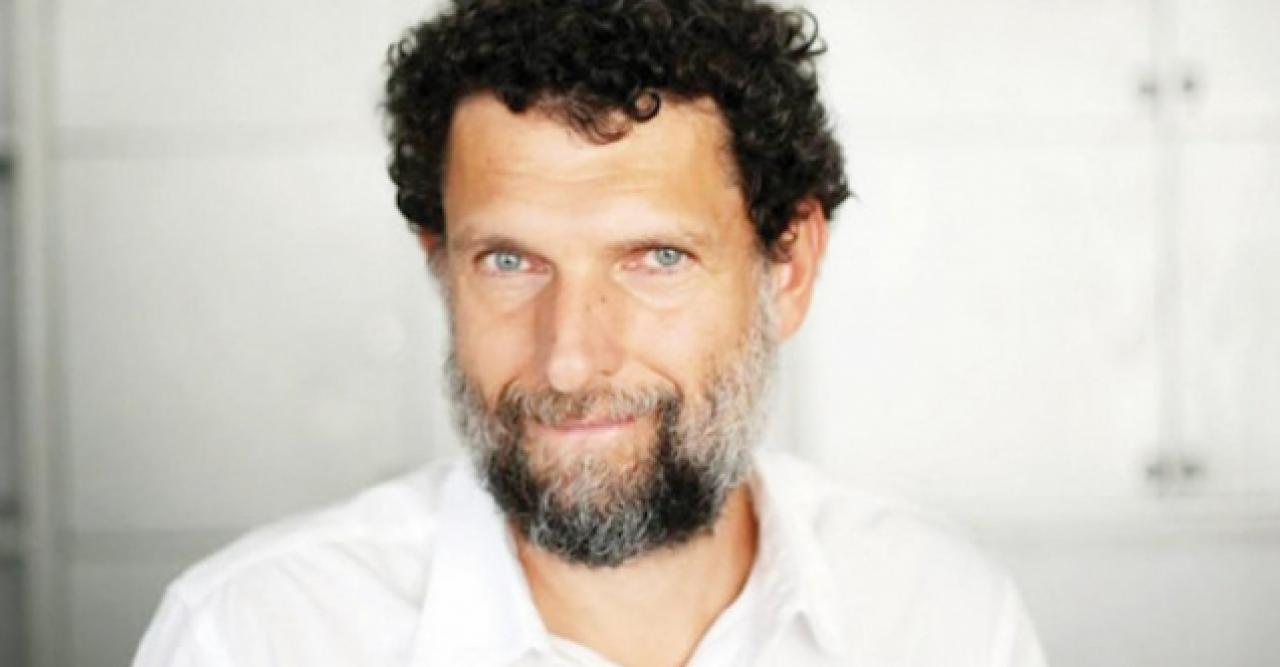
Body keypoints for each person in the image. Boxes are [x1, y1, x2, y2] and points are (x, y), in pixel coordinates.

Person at [136, 1, 1048, 665]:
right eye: (508, 261)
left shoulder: (944, 621)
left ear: (788, 266)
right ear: (440, 264)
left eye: (656, 258)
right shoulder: (252, 636)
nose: (569, 357)